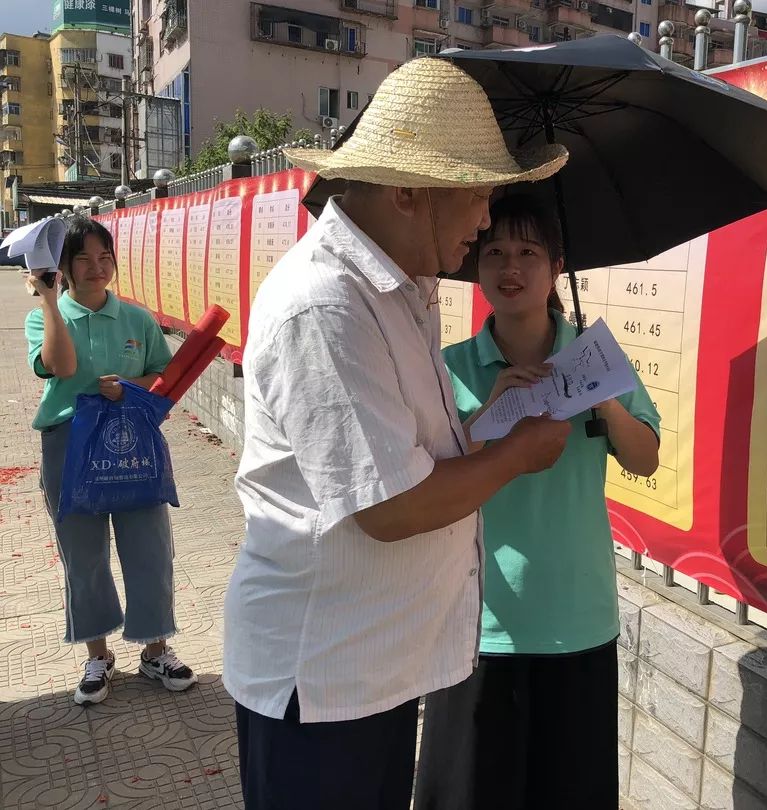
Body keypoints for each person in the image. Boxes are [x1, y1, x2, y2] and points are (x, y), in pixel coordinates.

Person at [223, 58, 572, 810]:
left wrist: (482, 427)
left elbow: (398, 454)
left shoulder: (402, 290)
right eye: (476, 194)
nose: (486, 220)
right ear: (409, 193)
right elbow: (389, 507)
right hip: (322, 680)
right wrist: (515, 454)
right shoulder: (327, 305)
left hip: (373, 667)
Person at [415, 194, 661, 810]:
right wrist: (492, 411)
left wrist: (602, 398)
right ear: (476, 267)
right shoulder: (448, 367)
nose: (510, 267)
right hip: (478, 623)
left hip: (578, 619)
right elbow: (427, 479)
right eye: (494, 251)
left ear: (556, 267)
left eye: (528, 252)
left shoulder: (595, 360)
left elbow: (645, 458)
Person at [24, 217, 197, 706]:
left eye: (105, 257)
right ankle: (97, 655)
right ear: (62, 267)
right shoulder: (43, 318)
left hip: (131, 442)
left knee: (149, 546)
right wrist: (49, 301)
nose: (96, 267)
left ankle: (156, 649)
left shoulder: (137, 319)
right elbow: (61, 367)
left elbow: (165, 377)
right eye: (83, 258)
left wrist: (130, 386)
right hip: (69, 445)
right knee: (84, 554)